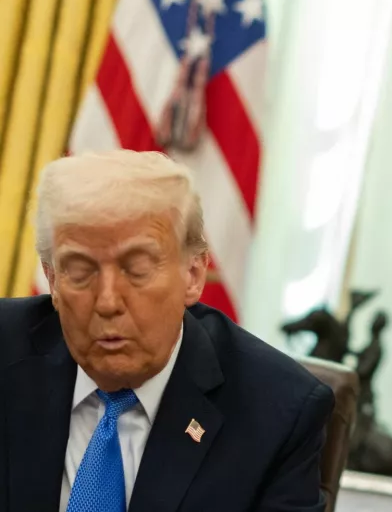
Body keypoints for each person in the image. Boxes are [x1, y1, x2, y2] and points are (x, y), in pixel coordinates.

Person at [0, 150, 335, 511]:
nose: (108, 301)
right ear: (52, 279)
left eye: (138, 270)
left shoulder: (277, 414)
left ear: (193, 275)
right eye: (80, 271)